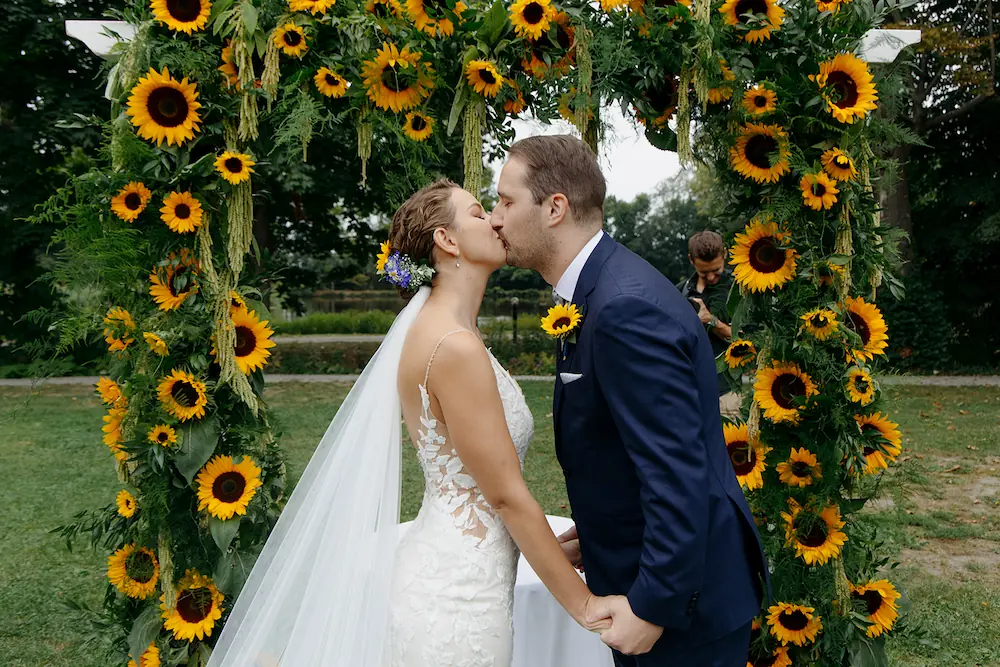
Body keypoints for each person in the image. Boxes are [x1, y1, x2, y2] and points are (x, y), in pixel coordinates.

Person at [204, 179, 612, 667]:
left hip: (456, 566)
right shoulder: (453, 345)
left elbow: (474, 488)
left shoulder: (445, 331)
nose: (497, 220)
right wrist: (585, 606)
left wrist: (548, 553)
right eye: (481, 213)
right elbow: (503, 494)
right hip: (459, 600)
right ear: (447, 240)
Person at [492, 135, 768, 667]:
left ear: (554, 208)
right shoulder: (598, 290)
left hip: (685, 611)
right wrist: (596, 534)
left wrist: (654, 607)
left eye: (506, 201)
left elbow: (675, 470)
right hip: (643, 568)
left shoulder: (623, 309)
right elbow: (623, 444)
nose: (497, 218)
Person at [677, 231, 740, 419]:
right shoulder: (681, 292)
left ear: (725, 254)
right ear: (691, 260)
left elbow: (749, 341)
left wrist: (710, 320)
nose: (712, 277)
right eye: (704, 272)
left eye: (716, 270)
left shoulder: (740, 288)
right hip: (691, 394)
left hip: (729, 392)